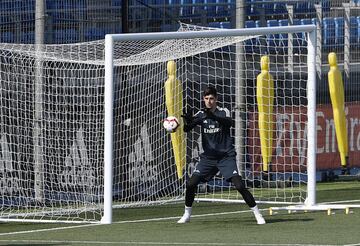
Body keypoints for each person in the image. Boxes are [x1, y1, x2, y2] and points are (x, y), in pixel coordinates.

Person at [177, 86, 266, 225]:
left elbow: (228, 123)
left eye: (211, 98)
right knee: (191, 183)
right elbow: (187, 129)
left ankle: (258, 214)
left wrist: (211, 116)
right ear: (203, 99)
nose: (209, 101)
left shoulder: (223, 112)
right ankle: (187, 214)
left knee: (239, 185)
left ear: (216, 99)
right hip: (208, 158)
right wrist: (187, 121)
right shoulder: (201, 114)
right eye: (206, 99)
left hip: (226, 157)